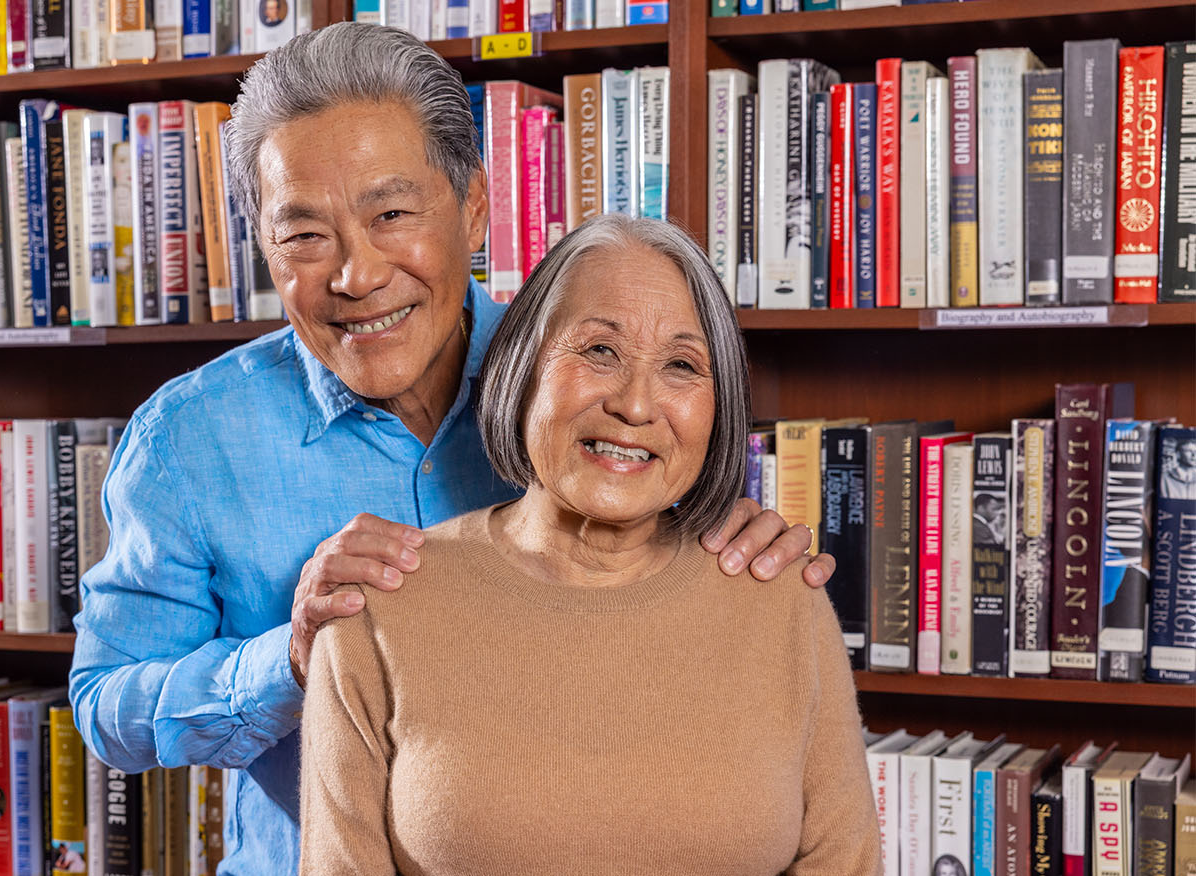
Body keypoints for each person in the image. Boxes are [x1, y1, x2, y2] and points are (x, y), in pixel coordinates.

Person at [70, 23, 833, 874]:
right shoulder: (188, 440)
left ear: (473, 206)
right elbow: (106, 708)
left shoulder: (587, 387)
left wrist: (725, 548)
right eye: (305, 235)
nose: (357, 276)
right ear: (264, 247)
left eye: (391, 214)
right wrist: (286, 659)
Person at [300, 214, 880, 875]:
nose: (636, 405)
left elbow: (846, 861)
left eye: (682, 366)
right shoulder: (377, 606)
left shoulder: (782, 601)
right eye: (599, 351)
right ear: (525, 366)